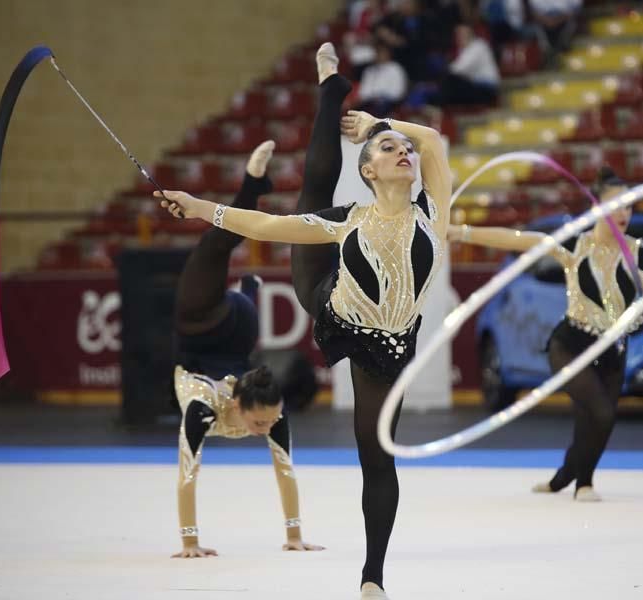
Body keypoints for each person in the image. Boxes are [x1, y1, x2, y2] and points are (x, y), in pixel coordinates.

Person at [156, 42, 451, 600]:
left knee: (377, 454)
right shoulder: (350, 219)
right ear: (368, 169)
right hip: (328, 299)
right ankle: (328, 88)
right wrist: (201, 207)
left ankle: (371, 575)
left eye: (402, 148)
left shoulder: (434, 211)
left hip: (391, 344)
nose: (404, 151)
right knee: (312, 190)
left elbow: (432, 141)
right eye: (389, 148)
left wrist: (383, 120)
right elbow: (266, 230)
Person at [449, 168, 643, 501]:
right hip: (571, 344)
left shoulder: (640, 251)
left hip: (613, 349)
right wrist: (462, 232)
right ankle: (583, 484)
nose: (624, 213)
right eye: (617, 205)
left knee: (595, 419)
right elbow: (518, 240)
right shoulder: (574, 242)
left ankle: (564, 479)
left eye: (630, 205)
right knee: (600, 410)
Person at [171, 141, 323, 558]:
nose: (266, 428)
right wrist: (190, 543)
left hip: (202, 330)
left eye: (269, 422)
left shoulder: (270, 411)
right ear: (236, 405)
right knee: (213, 248)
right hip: (235, 331)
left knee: (212, 254)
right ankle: (253, 189)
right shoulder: (203, 407)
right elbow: (189, 471)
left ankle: (253, 196)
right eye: (260, 424)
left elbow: (286, 471)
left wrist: (294, 535)